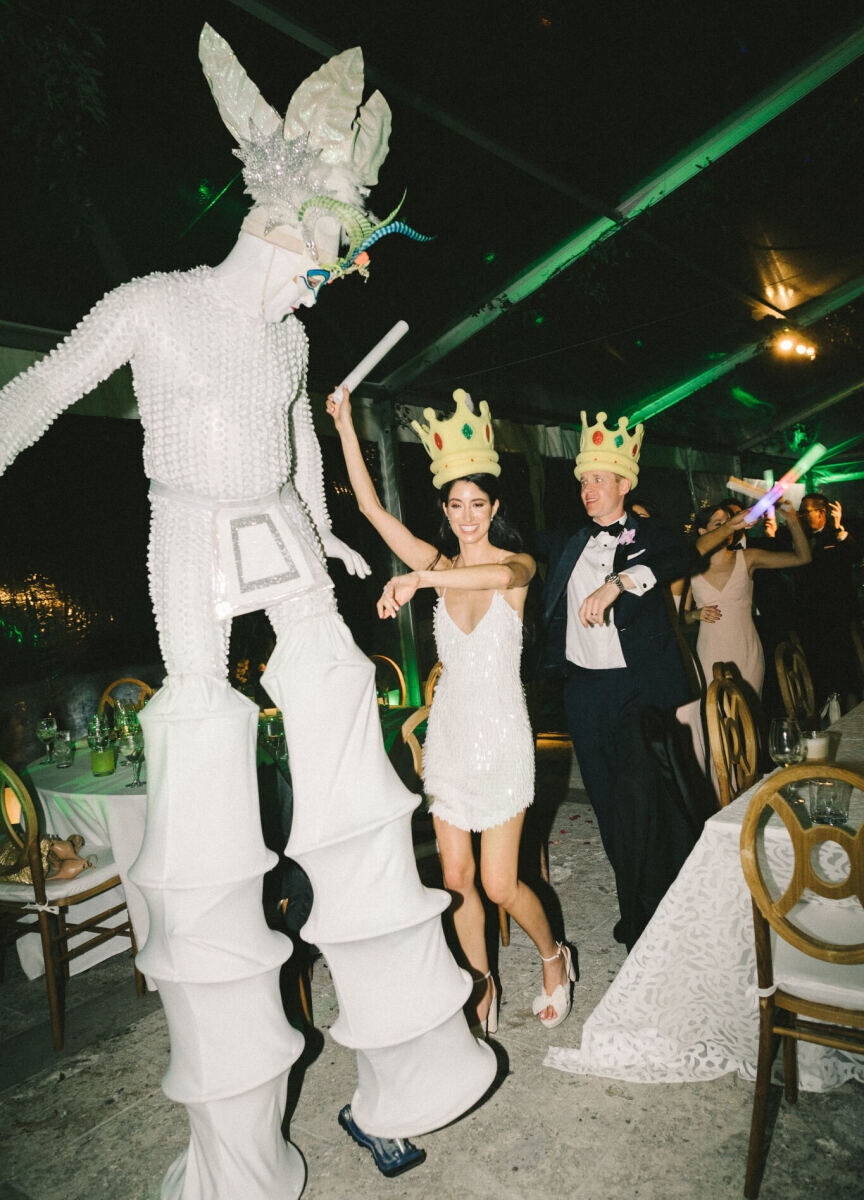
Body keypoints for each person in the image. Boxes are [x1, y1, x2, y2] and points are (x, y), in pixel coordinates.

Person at [0, 27, 495, 1194]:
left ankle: (408, 1069)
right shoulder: (154, 304)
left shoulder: (288, 336)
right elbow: (43, 386)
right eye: (326, 251)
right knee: (204, 753)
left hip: (277, 526)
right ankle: (238, 1147)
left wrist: (320, 526)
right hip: (188, 535)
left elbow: (289, 446)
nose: (329, 276)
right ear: (275, 218)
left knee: (343, 740)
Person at [328, 385, 577, 1033]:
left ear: (495, 507)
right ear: (446, 507)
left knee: (499, 885)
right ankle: (482, 981)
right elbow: (372, 510)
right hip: (450, 740)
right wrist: (347, 427)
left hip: (502, 740)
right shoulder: (438, 561)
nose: (468, 517)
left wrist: (421, 580)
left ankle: (555, 957)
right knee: (458, 878)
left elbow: (494, 580)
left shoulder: (516, 566)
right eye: (456, 505)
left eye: (479, 504)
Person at [539, 412, 736, 948]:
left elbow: (681, 553)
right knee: (606, 805)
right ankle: (635, 913)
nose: (588, 490)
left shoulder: (650, 534)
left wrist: (620, 582)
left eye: (598, 480)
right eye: (583, 480)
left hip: (637, 690)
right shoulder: (565, 540)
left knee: (644, 800)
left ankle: (666, 909)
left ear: (625, 484)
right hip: (584, 690)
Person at [684, 501, 810, 699]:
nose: (729, 528)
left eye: (730, 522)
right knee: (719, 719)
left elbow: (802, 558)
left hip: (747, 649)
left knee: (751, 715)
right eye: (719, 524)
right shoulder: (689, 567)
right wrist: (694, 614)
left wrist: (793, 521)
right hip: (710, 651)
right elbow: (681, 618)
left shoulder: (748, 557)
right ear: (702, 531)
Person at [794, 492, 860, 709]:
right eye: (801, 512)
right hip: (809, 619)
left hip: (836, 618)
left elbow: (854, 556)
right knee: (817, 672)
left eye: (806, 511)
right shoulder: (798, 538)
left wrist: (840, 529)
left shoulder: (835, 536)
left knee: (843, 670)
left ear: (822, 512)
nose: (802, 516)